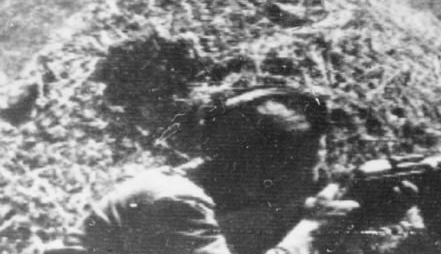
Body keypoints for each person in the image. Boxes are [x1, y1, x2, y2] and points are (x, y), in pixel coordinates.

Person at [46, 85, 357, 254]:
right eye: (303, 167)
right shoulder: (176, 201)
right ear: (255, 167)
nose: (316, 177)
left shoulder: (199, 187)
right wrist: (312, 228)